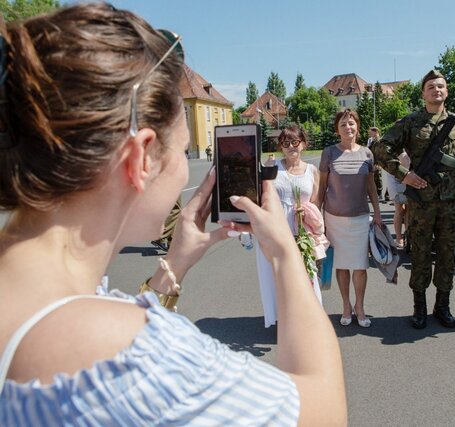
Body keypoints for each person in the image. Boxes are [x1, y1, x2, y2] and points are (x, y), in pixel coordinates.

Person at [0, 5, 347, 425]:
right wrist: (285, 251)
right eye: (182, 150)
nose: (185, 167)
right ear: (141, 157)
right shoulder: (137, 359)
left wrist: (175, 262)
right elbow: (322, 408)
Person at [373, 70, 455, 329]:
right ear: (423, 93)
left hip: (450, 202)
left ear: (447, 91)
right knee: (419, 254)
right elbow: (381, 149)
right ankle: (420, 308)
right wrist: (405, 175)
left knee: (447, 253)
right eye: (431, 87)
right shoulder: (411, 122)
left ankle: (443, 306)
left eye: (440, 86)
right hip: (420, 203)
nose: (436, 90)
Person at [317, 109, 381, 328]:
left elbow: (371, 185)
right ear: (337, 129)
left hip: (361, 218)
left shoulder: (367, 154)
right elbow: (322, 187)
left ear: (358, 127)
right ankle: (346, 306)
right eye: (343, 124)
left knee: (361, 266)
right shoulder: (329, 153)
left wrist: (378, 212)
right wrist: (317, 218)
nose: (348, 127)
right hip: (334, 218)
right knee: (342, 266)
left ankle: (360, 306)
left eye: (351, 123)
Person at [256, 124, 322, 327]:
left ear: (303, 144)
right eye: (286, 143)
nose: (291, 146)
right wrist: (266, 172)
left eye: (295, 142)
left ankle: (306, 319)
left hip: (301, 230)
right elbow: (261, 197)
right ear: (280, 146)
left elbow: (316, 202)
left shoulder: (312, 171)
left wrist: (308, 213)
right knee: (278, 277)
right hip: (276, 230)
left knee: (304, 276)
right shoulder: (274, 167)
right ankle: (285, 320)